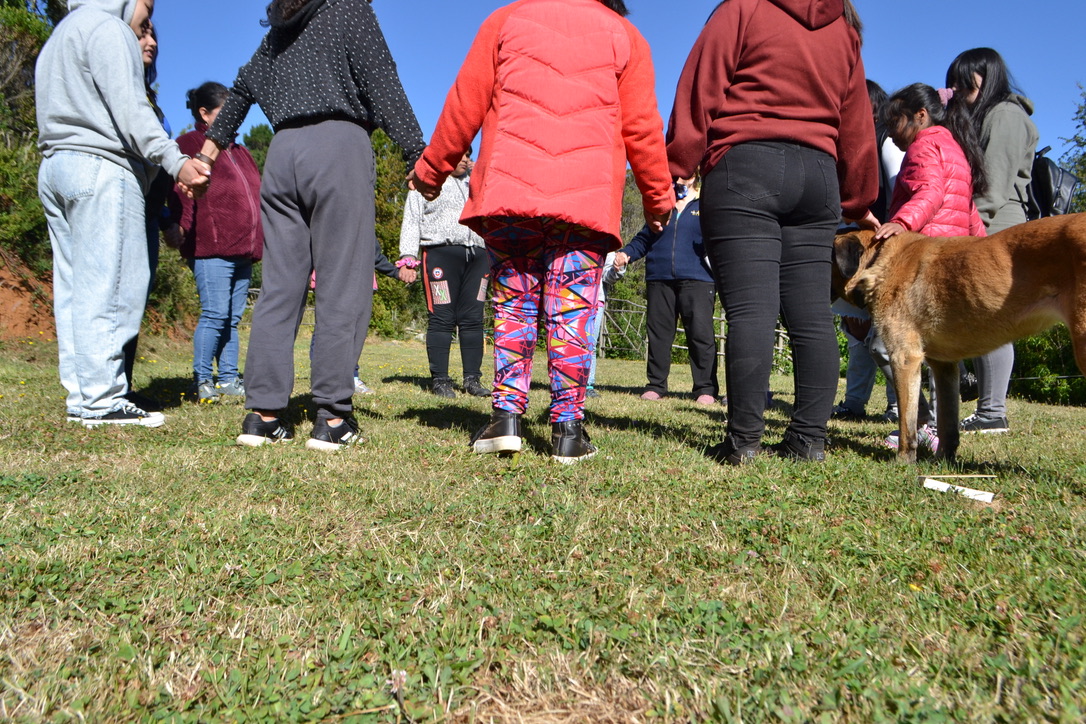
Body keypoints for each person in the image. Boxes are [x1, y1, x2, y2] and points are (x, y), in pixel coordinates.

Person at [408, 0, 674, 463]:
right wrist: (657, 200)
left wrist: (433, 170)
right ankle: (568, 430)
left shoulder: (506, 19)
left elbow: (463, 101)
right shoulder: (625, 37)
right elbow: (644, 128)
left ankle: (505, 419)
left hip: (511, 191)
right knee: (571, 315)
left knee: (514, 306)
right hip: (584, 200)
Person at [195, 0, 425, 451]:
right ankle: (334, 418)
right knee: (343, 282)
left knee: (281, 287)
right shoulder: (347, 8)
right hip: (338, 145)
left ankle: (262, 416)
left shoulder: (281, 29)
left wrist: (207, 154)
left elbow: (240, 89)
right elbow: (382, 77)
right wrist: (417, 151)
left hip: (282, 154)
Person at [667, 0, 878, 464]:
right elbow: (858, 119)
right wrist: (859, 199)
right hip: (818, 175)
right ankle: (808, 440)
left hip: (746, 164)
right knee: (812, 316)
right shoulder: (844, 26)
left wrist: (679, 161)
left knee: (751, 311)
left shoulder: (744, 7)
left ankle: (743, 442)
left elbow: (701, 83)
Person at [36, 0, 210, 428]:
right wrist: (176, 161)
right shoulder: (109, 31)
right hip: (101, 167)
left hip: (56, 165)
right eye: (144, 8)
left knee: (76, 286)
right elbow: (132, 109)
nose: (147, 18)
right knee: (112, 282)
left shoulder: (60, 35)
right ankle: (104, 399)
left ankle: (83, 394)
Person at [873, 82, 988, 452]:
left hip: (925, 259)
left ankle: (920, 423)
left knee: (883, 342)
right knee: (941, 354)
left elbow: (931, 191)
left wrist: (901, 224)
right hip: (955, 260)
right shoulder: (955, 146)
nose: (890, 131)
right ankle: (945, 437)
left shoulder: (924, 144)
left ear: (920, 116)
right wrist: (983, 253)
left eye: (895, 122)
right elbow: (967, 207)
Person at [946, 48, 1040, 435]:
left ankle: (992, 411)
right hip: (987, 225)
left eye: (961, 81)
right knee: (977, 314)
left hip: (996, 227)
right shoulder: (992, 115)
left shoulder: (1004, 115)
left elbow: (994, 187)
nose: (956, 90)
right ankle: (987, 408)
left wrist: (969, 235)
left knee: (991, 316)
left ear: (982, 77)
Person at [167, 82, 264, 404]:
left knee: (232, 318)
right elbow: (180, 192)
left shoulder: (241, 151)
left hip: (243, 249)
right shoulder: (188, 143)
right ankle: (203, 380)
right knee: (214, 314)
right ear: (204, 113)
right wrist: (180, 227)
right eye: (224, 115)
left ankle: (228, 378)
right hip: (211, 247)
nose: (231, 122)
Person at [831, 80, 903, 422]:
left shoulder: (885, 140)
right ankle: (854, 402)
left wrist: (890, 229)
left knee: (888, 333)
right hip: (855, 246)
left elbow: (896, 189)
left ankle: (896, 405)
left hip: (881, 245)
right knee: (860, 332)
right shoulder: (855, 143)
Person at [614, 175, 720, 405]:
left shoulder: (708, 203)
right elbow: (644, 238)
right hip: (659, 277)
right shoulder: (662, 205)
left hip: (699, 279)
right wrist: (625, 255)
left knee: (701, 335)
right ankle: (655, 385)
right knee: (659, 335)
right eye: (676, 174)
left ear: (696, 175)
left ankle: (705, 389)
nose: (681, 178)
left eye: (687, 173)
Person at [397, 150, 489, 400]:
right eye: (460, 154)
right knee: (442, 316)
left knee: (473, 318)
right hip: (441, 255)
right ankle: (441, 380)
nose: (464, 159)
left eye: (468, 155)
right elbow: (412, 220)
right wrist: (408, 258)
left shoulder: (475, 182)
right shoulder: (425, 181)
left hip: (478, 256)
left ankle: (472, 379)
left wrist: (477, 172)